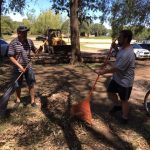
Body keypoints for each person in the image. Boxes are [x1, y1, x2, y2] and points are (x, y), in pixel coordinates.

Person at [96, 30, 135, 124]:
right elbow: (118, 56)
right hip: (117, 78)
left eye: (120, 37)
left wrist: (103, 72)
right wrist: (115, 48)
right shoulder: (122, 49)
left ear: (125, 39)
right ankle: (118, 105)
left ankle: (125, 118)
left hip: (125, 82)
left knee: (124, 100)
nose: (117, 39)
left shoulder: (128, 53)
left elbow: (117, 68)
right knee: (110, 92)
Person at [8, 25, 43, 108]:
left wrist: (40, 50)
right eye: (23, 32)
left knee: (31, 84)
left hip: (28, 66)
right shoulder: (13, 43)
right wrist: (19, 66)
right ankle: (18, 100)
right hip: (17, 67)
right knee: (17, 85)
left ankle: (32, 101)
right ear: (18, 33)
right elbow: (11, 56)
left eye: (26, 32)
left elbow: (36, 52)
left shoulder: (29, 41)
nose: (25, 34)